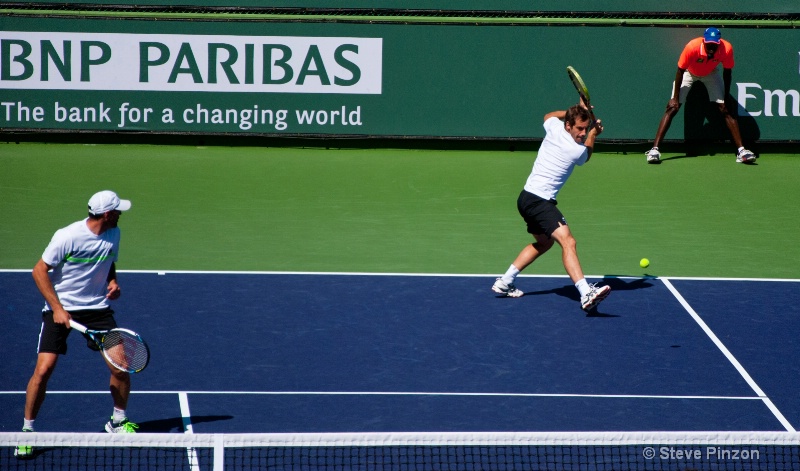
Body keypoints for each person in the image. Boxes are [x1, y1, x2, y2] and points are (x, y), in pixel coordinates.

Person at [16, 191, 135, 459]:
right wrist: (58, 309)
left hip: (97, 310)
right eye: (118, 211)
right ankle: (26, 431)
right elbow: (38, 271)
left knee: (121, 366)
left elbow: (108, 260)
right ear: (107, 214)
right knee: (44, 370)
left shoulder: (114, 233)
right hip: (61, 308)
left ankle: (117, 421)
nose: (121, 215)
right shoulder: (67, 235)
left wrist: (112, 282)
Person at [492, 103, 611, 312]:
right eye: (579, 129)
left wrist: (573, 112)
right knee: (568, 241)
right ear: (568, 126)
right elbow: (587, 155)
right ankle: (585, 293)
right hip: (539, 201)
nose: (582, 133)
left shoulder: (554, 127)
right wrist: (594, 134)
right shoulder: (575, 150)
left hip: (525, 198)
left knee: (545, 243)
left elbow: (548, 115)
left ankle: (505, 281)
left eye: (585, 129)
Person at [645, 27, 756, 164]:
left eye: (714, 45)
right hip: (688, 73)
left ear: (719, 43)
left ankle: (741, 151)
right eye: (709, 44)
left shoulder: (726, 48)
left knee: (726, 108)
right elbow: (680, 70)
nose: (711, 47)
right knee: (672, 108)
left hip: (711, 74)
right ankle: (654, 150)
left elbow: (727, 73)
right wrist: (675, 97)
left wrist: (726, 96)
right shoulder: (692, 47)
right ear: (704, 41)